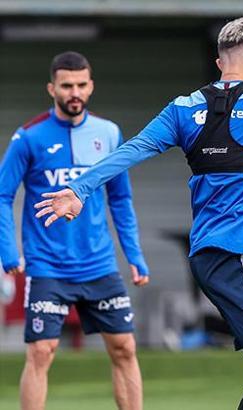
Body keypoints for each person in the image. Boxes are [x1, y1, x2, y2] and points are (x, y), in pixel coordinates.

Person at [32, 17, 243, 410]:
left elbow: (132, 149)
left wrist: (79, 188)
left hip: (215, 258)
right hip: (238, 256)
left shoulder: (183, 108)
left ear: (220, 63)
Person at [0, 51, 149, 410]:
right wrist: (8, 251)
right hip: (47, 265)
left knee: (125, 348)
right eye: (66, 86)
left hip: (98, 264)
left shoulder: (109, 133)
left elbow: (121, 199)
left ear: (91, 85)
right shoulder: (29, 137)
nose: (75, 92)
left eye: (81, 84)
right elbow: (3, 195)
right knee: (41, 351)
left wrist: (135, 256)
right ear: (52, 88)